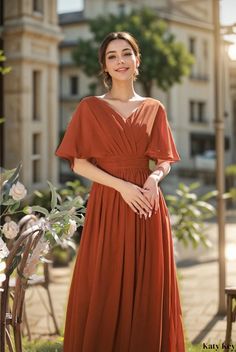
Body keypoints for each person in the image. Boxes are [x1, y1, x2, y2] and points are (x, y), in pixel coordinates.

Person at [55, 31, 186, 352]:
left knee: (148, 286)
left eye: (126, 53)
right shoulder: (90, 108)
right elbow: (79, 164)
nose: (120, 61)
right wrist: (122, 187)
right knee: (105, 282)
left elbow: (164, 160)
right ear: (104, 66)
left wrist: (154, 179)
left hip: (146, 204)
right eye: (112, 56)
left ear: (137, 60)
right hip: (109, 203)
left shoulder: (154, 107)